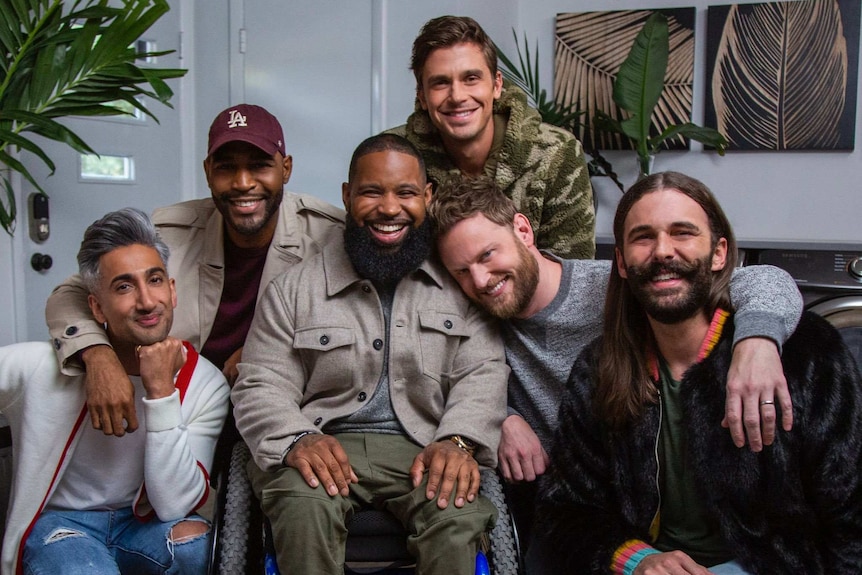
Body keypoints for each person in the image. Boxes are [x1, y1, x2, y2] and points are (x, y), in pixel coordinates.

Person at [428, 177, 803, 567]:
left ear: (523, 230)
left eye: (488, 255)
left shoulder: (614, 284)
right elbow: (437, 381)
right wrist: (501, 416)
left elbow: (762, 280)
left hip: (655, 495)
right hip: (571, 508)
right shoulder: (473, 319)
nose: (481, 281)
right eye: (462, 272)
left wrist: (756, 340)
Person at [536, 172, 862, 574]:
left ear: (720, 253)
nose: (663, 251)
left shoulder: (806, 355)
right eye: (642, 237)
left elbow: (851, 514)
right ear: (621, 261)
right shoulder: (598, 370)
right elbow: (566, 511)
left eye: (683, 233)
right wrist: (636, 559)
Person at [231, 134, 508, 575]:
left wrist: (458, 440)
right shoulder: (294, 289)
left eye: (406, 193)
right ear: (347, 196)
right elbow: (260, 383)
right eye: (371, 191)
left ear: (427, 197)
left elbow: (484, 373)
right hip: (321, 443)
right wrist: (297, 437)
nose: (389, 208)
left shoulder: (458, 286)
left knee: (456, 515)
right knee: (303, 506)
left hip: (424, 446)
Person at [45, 103, 344, 437]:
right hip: (182, 404)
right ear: (207, 172)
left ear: (286, 169)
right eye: (226, 168)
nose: (243, 183)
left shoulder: (329, 235)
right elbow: (71, 294)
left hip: (278, 408)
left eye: (259, 166)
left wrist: (262, 350)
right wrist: (97, 354)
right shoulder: (168, 230)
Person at [0, 208, 230, 575]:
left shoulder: (205, 382)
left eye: (155, 280)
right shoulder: (40, 366)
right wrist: (96, 358)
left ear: (172, 291)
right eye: (124, 287)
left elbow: (175, 505)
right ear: (96, 306)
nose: (145, 301)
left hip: (142, 526)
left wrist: (160, 394)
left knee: (201, 551)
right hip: (63, 526)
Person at [387, 15, 595, 259]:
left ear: (496, 85)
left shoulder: (556, 152)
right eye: (441, 83)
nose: (457, 96)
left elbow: (572, 272)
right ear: (422, 96)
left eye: (471, 78)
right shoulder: (394, 156)